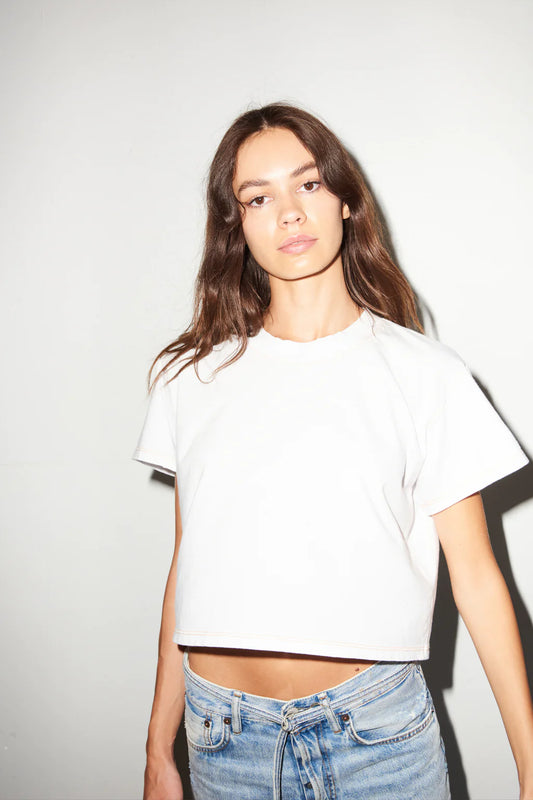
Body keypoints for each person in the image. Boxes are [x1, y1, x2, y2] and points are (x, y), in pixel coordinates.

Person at [133, 102, 533, 800]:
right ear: (238, 224)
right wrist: (157, 752)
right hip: (224, 739)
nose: (287, 213)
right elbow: (185, 570)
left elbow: (477, 580)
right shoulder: (191, 376)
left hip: (376, 738)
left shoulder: (423, 373)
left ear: (345, 199)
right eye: (258, 198)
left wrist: (531, 766)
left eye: (308, 184)